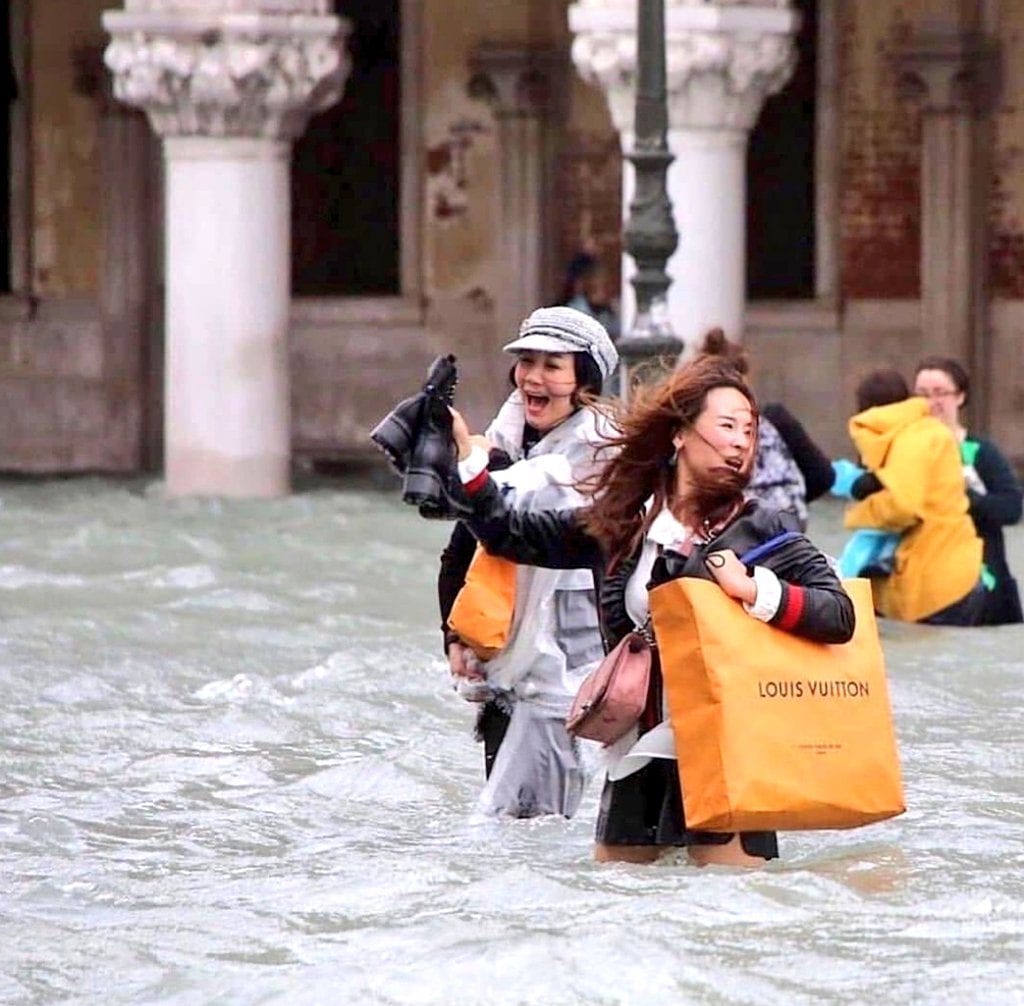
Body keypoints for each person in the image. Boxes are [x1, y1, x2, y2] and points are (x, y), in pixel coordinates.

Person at [447, 354, 854, 865]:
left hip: (727, 758)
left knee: (733, 914)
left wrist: (754, 589)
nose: (740, 442)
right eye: (727, 426)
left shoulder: (760, 528)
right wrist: (467, 463)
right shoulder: (627, 523)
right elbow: (513, 534)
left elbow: (839, 614)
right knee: (622, 913)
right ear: (680, 435)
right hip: (634, 756)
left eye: (748, 431)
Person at [438, 306, 619, 818]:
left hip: (571, 682)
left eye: (552, 364)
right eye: (526, 362)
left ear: (583, 377)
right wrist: (456, 639)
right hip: (502, 670)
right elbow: (463, 548)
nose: (533, 378)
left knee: (535, 833)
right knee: (512, 837)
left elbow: (509, 518)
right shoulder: (505, 440)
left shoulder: (600, 456)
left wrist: (473, 469)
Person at [831, 369, 985, 625]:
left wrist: (856, 514)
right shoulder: (928, 432)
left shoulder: (910, 440)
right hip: (956, 573)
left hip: (936, 584)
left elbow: (902, 507)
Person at [912, 357, 1023, 625]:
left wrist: (961, 497)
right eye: (922, 394)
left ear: (960, 397)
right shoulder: (907, 452)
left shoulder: (981, 452)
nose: (931, 402)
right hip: (922, 581)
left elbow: (1011, 508)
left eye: (940, 393)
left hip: (984, 584)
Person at [697, 328, 834, 529]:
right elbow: (823, 475)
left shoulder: (702, 427)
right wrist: (789, 501)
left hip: (732, 530)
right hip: (787, 527)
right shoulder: (775, 419)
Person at [560, 251, 620, 342]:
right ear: (585, 285)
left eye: (606, 285)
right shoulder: (574, 312)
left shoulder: (609, 312)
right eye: (597, 286)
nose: (603, 292)